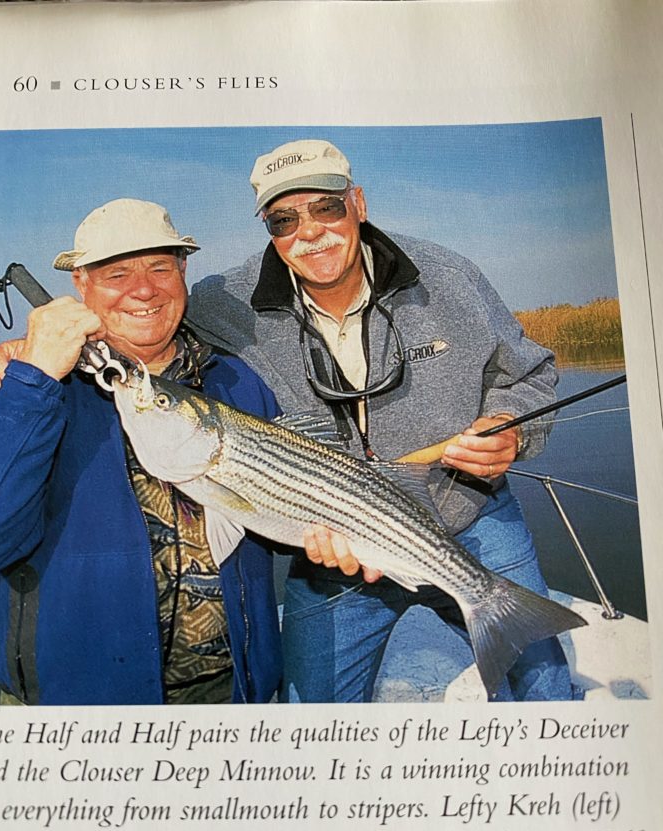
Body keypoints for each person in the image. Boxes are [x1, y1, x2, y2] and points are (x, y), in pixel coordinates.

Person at [186, 139, 580, 703]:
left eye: (326, 207)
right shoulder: (227, 303)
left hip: (470, 511)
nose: (310, 232)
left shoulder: (447, 278)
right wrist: (25, 351)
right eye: (283, 219)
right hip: (330, 543)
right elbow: (144, 320)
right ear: (268, 229)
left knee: (546, 691)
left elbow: (531, 375)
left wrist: (512, 428)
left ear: (358, 203)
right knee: (313, 720)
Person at [0, 199, 282, 706]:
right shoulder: (29, 385)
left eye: (161, 267)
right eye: (117, 273)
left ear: (183, 272)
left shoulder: (238, 382)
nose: (143, 289)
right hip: (78, 710)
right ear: (81, 286)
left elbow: (282, 517)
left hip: (233, 695)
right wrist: (36, 379)